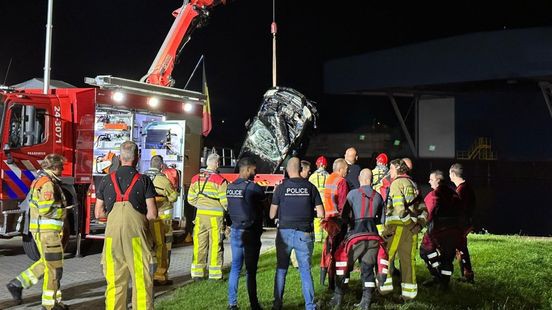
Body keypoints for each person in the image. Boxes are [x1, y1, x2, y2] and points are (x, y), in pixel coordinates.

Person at [95, 141, 158, 310]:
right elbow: (152, 214)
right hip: (136, 238)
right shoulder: (144, 181)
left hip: (112, 238)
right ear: (136, 157)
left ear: (120, 157)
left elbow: (98, 213)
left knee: (114, 282)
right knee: (141, 280)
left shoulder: (106, 180)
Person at [7, 154, 68, 310]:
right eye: (61, 166)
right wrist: (63, 212)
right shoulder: (48, 184)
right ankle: (49, 306)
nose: (62, 169)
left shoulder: (41, 180)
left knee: (49, 264)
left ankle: (18, 284)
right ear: (54, 167)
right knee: (54, 268)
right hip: (48, 233)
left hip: (43, 231)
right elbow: (45, 209)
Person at [270, 157, 324, 310]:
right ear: (300, 169)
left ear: (287, 170)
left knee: (281, 269)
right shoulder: (310, 187)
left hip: (284, 233)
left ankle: (277, 304)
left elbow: (271, 215)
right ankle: (310, 306)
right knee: (305, 271)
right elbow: (321, 213)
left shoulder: (281, 188)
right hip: (304, 234)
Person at [327, 169, 386, 309]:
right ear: (370, 179)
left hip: (356, 236)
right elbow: (382, 219)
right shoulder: (378, 196)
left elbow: (345, 216)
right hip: (373, 237)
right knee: (367, 268)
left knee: (344, 266)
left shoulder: (352, 194)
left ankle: (338, 297)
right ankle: (366, 301)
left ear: (360, 178)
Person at [379, 159, 424, 301]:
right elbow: (423, 209)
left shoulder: (396, 184)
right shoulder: (413, 184)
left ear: (398, 169)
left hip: (396, 228)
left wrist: (409, 224)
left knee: (386, 257)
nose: (389, 172)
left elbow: (399, 209)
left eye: (391, 169)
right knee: (408, 260)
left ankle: (384, 291)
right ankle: (409, 295)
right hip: (412, 231)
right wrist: (418, 225)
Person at [226, 158, 266, 310]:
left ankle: (232, 304)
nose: (255, 173)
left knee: (235, 267)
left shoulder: (230, 187)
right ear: (247, 169)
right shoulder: (253, 187)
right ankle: (254, 304)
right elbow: (264, 204)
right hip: (250, 233)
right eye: (254, 170)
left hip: (235, 230)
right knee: (250, 271)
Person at [187, 153, 228, 280]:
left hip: (200, 217)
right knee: (216, 244)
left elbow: (190, 199)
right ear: (217, 163)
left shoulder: (195, 179)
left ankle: (197, 274)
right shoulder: (220, 181)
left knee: (199, 244)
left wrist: (201, 205)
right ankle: (214, 275)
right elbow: (225, 202)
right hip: (215, 219)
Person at [420, 170, 462, 290]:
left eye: (431, 179)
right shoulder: (454, 194)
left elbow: (427, 214)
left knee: (425, 252)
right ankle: (445, 283)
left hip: (438, 232)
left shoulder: (433, 195)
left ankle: (436, 275)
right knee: (447, 258)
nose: (429, 181)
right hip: (453, 232)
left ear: (438, 180)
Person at [145, 155, 179, 286]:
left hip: (146, 219)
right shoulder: (163, 180)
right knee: (162, 247)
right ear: (161, 166)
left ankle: (146, 274)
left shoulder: (142, 178)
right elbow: (174, 197)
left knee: (148, 246)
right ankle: (160, 276)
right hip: (162, 221)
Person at [320, 158, 350, 289]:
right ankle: (336, 283)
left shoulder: (330, 179)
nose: (347, 172)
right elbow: (344, 204)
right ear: (340, 169)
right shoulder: (341, 181)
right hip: (338, 221)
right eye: (346, 170)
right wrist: (348, 220)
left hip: (329, 219)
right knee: (338, 252)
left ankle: (327, 279)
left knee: (329, 249)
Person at [449, 163, 476, 283]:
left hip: (462, 225)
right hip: (465, 223)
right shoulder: (466, 187)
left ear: (453, 174)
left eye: (450, 174)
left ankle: (467, 274)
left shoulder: (461, 190)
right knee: (460, 248)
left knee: (460, 248)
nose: (449, 176)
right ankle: (466, 274)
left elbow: (458, 209)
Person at [309, 156, 330, 242]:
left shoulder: (312, 177)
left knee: (317, 219)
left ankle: (318, 238)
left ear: (317, 165)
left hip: (316, 202)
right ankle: (326, 238)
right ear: (325, 166)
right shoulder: (329, 176)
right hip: (326, 201)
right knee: (326, 219)